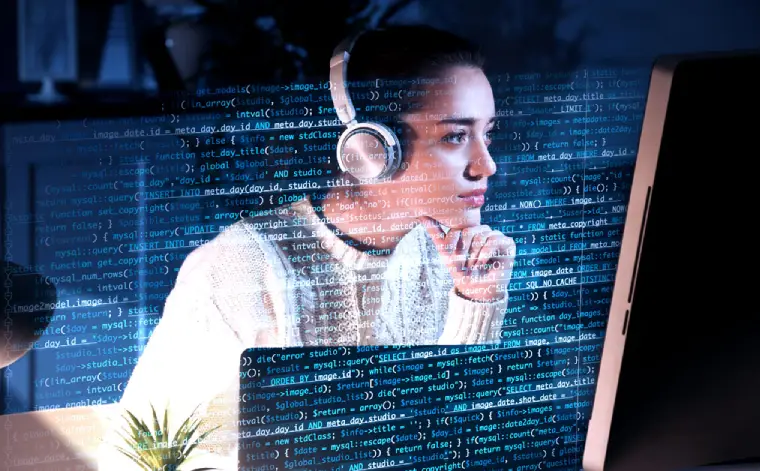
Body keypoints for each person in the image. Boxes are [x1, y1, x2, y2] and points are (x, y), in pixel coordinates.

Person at [100, 25, 515, 470]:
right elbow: (131, 457)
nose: (485, 164)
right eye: (455, 136)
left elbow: (453, 443)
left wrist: (477, 302)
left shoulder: (451, 262)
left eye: (486, 133)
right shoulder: (239, 264)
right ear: (371, 147)